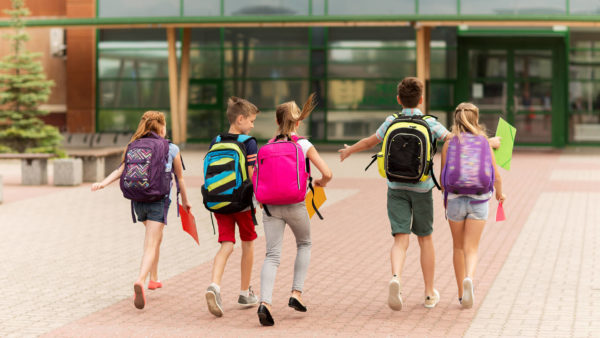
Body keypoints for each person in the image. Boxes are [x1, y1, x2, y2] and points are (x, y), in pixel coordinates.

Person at [339, 77, 453, 310]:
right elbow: (452, 138)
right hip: (422, 189)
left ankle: (396, 278)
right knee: (425, 238)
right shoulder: (429, 122)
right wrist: (485, 141)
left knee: (400, 239)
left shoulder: (392, 120)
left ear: (399, 99)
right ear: (421, 99)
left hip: (395, 188)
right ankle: (430, 293)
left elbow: (371, 141)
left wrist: (349, 150)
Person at [91, 110, 191, 310]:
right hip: (158, 200)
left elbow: (121, 171)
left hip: (138, 201)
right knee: (151, 244)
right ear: (162, 127)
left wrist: (103, 183)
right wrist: (186, 202)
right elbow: (179, 178)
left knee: (156, 238)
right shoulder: (171, 148)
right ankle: (141, 280)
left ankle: (154, 278)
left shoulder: (133, 145)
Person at [256, 94, 332, 326]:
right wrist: (320, 183)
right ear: (298, 122)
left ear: (277, 122)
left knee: (272, 255)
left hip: (270, 207)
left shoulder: (267, 147)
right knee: (304, 243)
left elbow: (257, 178)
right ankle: (295, 294)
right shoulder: (303, 145)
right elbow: (327, 173)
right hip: (296, 204)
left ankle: (265, 303)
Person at [440, 102, 506, 309]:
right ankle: (469, 277)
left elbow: (443, 178)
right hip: (479, 200)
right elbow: (496, 175)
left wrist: (447, 194)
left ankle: (461, 293)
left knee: (458, 247)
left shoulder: (449, 143)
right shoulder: (484, 142)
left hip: (455, 200)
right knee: (472, 248)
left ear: (456, 119)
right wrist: (500, 194)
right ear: (475, 119)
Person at [205, 97, 260, 317]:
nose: (253, 125)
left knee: (226, 244)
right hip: (243, 203)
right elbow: (252, 175)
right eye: (252, 120)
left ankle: (214, 286)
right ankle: (245, 292)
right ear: (240, 119)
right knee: (248, 244)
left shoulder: (216, 140)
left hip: (219, 201)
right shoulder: (249, 142)